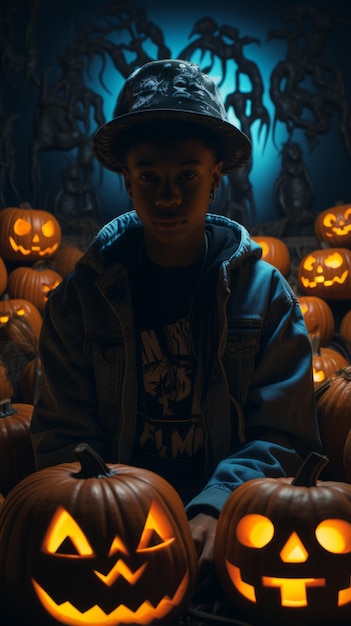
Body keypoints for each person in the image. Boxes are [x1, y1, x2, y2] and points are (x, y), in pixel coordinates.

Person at [30, 59, 321, 592]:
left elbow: (284, 433)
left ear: (215, 177)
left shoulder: (265, 294)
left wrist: (217, 505)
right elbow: (61, 436)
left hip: (232, 530)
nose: (167, 197)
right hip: (112, 537)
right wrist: (110, 515)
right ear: (127, 178)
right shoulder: (79, 301)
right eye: (150, 177)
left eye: (187, 175)